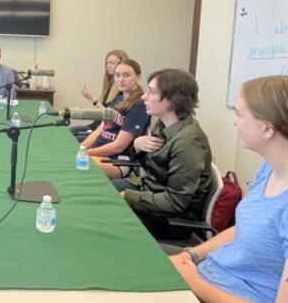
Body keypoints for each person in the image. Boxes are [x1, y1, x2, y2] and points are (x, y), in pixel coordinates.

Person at [169, 75, 288, 303]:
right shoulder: (270, 170)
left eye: (240, 113)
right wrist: (191, 255)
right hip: (211, 284)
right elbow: (245, 229)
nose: (235, 121)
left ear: (268, 129)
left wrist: (193, 283)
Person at [113, 69, 212, 240]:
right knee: (98, 195)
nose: (143, 96)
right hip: (152, 193)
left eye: (151, 92)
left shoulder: (186, 142)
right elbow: (157, 166)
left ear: (172, 101)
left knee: (102, 217)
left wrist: (130, 196)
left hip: (168, 220)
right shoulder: (164, 124)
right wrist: (137, 146)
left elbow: (175, 202)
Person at [80, 58, 151, 178]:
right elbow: (100, 130)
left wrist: (85, 153)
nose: (121, 79)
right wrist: (79, 148)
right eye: (117, 75)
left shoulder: (139, 105)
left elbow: (118, 146)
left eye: (126, 75)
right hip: (97, 152)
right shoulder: (117, 100)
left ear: (137, 77)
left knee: (73, 163)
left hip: (119, 161)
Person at [70, 49, 129, 141]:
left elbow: (111, 117)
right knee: (69, 132)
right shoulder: (109, 85)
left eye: (112, 63)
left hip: (105, 131)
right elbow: (103, 111)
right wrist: (83, 111)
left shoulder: (123, 91)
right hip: (96, 126)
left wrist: (91, 99)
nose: (108, 66)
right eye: (107, 63)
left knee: (74, 139)